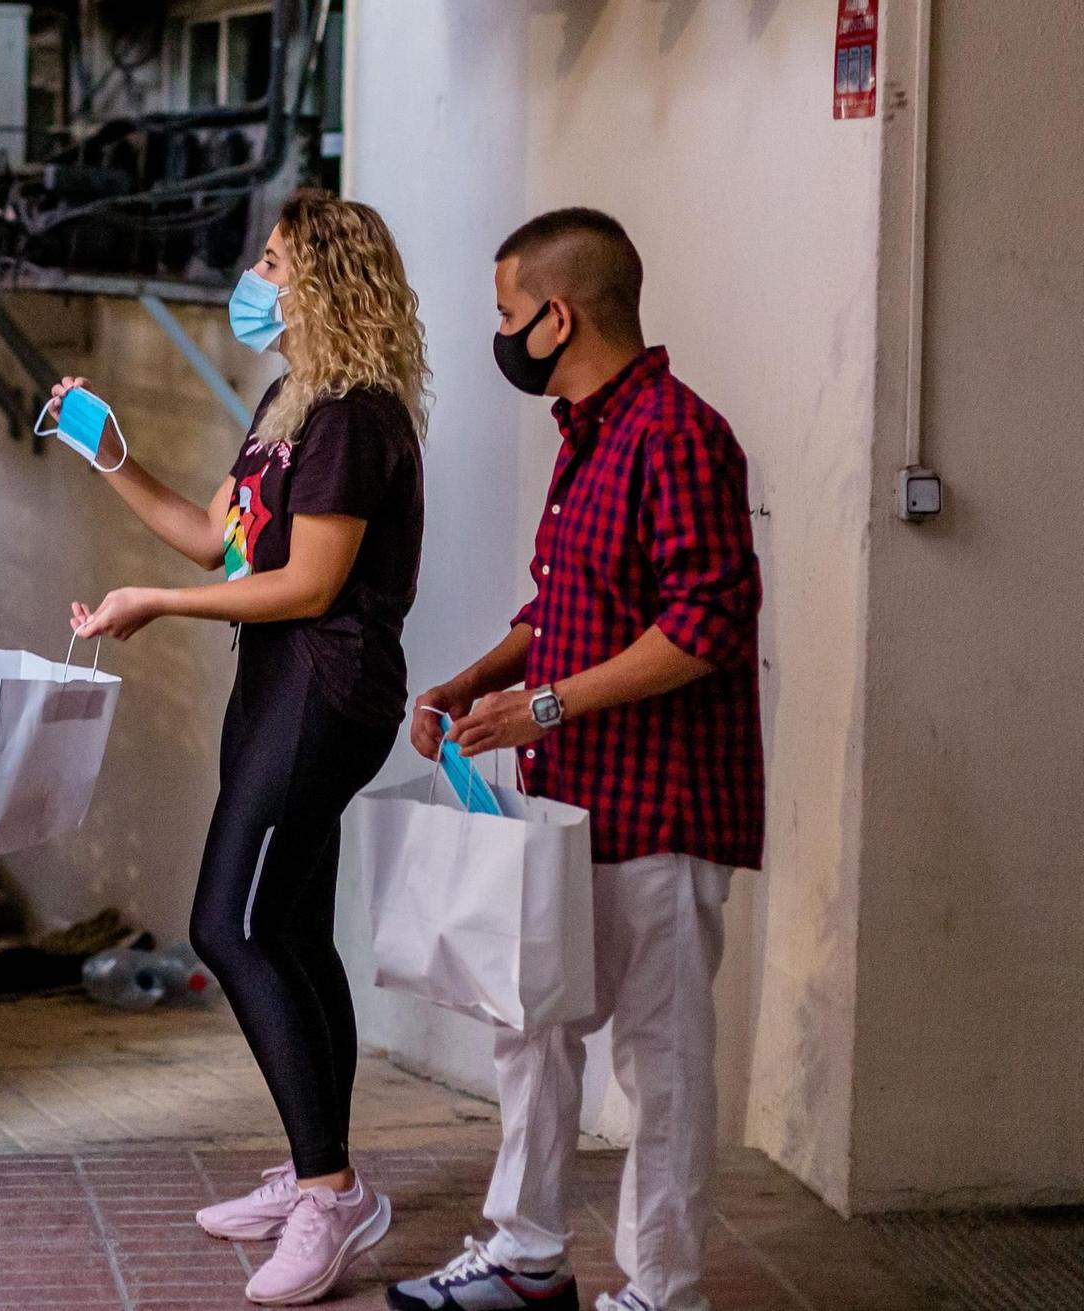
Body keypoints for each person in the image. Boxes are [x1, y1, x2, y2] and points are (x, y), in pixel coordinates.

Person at [56, 188, 429, 1306]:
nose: (253, 279)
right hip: (279, 693)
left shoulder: (356, 417)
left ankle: (331, 1193)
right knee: (295, 934)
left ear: (320, 281)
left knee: (227, 922)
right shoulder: (292, 398)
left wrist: (156, 606)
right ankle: (317, 1166)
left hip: (324, 696)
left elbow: (307, 584)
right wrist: (110, 455)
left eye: (272, 261)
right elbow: (221, 540)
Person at [386, 209, 763, 1311]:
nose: (498, 334)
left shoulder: (677, 435)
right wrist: (473, 681)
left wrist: (541, 705)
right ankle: (524, 1256)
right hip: (571, 806)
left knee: (660, 1071)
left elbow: (705, 623)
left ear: (558, 316)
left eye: (507, 314)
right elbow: (565, 606)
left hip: (665, 812)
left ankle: (660, 1292)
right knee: (530, 1029)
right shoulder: (587, 432)